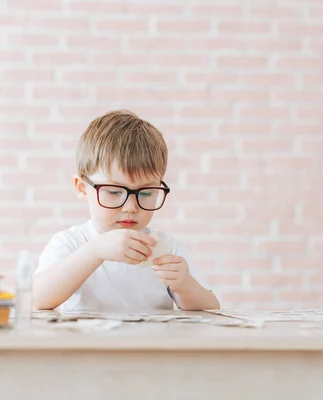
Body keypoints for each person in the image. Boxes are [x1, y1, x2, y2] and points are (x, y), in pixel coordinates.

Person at [33, 110, 220, 312]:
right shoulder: (70, 243)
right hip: (87, 343)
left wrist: (184, 285)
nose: (131, 207)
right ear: (81, 188)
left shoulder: (166, 247)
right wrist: (95, 251)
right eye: (114, 192)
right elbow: (37, 300)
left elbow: (212, 309)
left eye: (147, 193)